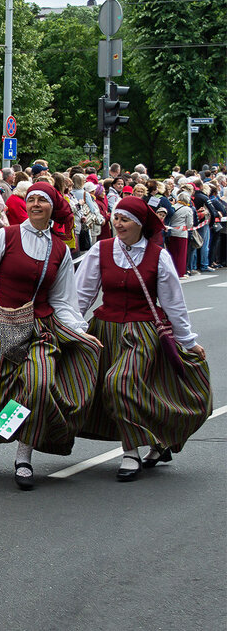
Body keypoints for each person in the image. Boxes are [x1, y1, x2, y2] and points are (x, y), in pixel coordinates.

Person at [0, 182, 102, 491]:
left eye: (42, 200)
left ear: (52, 207)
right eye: (31, 199)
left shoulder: (60, 249)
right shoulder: (6, 236)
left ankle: (23, 452)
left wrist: (79, 332)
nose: (35, 204)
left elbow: (64, 300)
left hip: (38, 327)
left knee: (37, 385)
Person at [73, 196, 211, 480]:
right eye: (117, 218)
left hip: (142, 333)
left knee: (121, 382)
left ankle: (130, 451)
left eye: (125, 220)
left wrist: (187, 341)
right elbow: (81, 296)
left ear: (139, 225)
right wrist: (71, 329)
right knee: (114, 389)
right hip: (105, 330)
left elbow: (174, 303)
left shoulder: (157, 255)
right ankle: (154, 443)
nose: (118, 224)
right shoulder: (101, 250)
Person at [167, 192, 194, 277]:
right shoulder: (187, 209)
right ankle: (180, 272)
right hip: (181, 233)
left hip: (171, 232)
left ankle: (172, 271)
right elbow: (189, 224)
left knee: (172, 253)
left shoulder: (173, 207)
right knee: (181, 254)